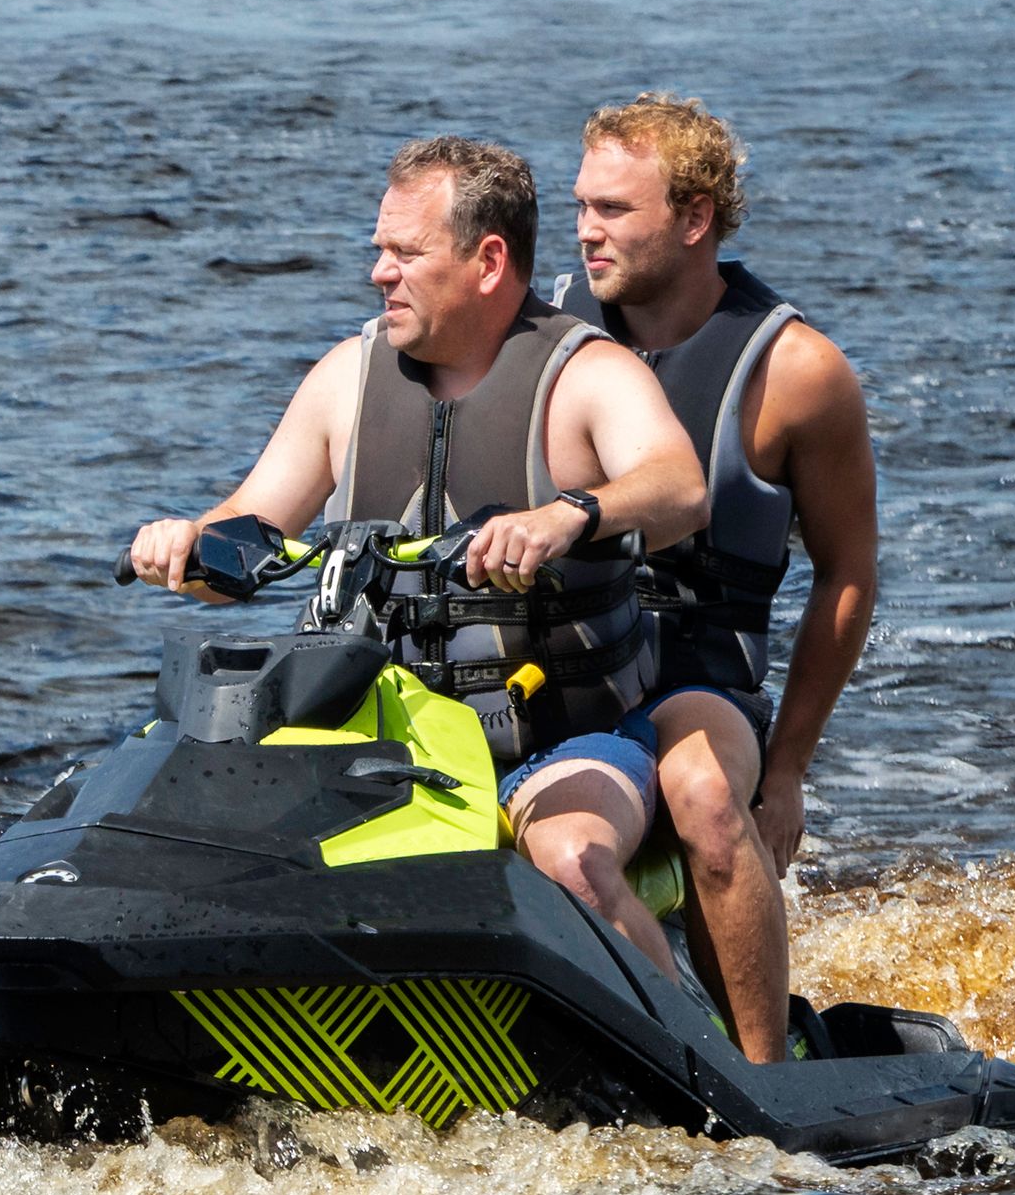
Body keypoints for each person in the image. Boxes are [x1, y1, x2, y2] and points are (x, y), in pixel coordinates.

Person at [122, 134, 745, 1044]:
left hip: (557, 745)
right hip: (374, 744)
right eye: (379, 250)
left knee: (570, 859)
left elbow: (679, 487)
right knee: (190, 829)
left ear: (487, 260)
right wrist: (185, 546)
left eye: (404, 254)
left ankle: (697, 1069)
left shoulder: (585, 373)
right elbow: (249, 532)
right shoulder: (347, 377)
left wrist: (569, 514)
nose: (378, 274)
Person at [569, 92, 874, 1051]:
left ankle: (759, 1075)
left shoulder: (798, 372)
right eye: (580, 207)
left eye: (613, 211)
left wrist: (784, 773)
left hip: (696, 674)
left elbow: (847, 575)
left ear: (694, 218)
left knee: (704, 798)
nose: (585, 233)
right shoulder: (544, 335)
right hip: (561, 650)